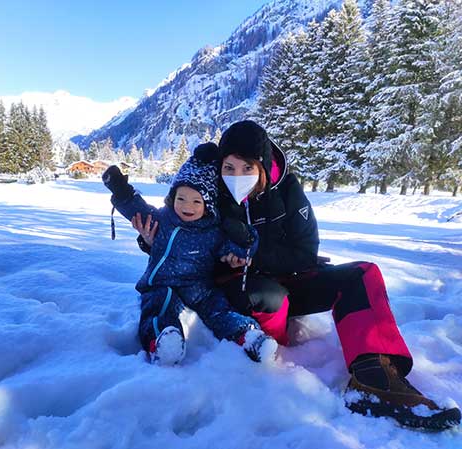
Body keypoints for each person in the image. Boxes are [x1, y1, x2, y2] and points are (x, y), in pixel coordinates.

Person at [132, 120, 461, 430]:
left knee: (363, 275)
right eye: (228, 167)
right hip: (241, 286)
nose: (236, 175)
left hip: (292, 274)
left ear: (263, 165)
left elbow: (305, 249)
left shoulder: (287, 190)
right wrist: (151, 242)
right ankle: (277, 352)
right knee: (268, 296)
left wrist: (254, 254)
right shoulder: (210, 188)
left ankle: (374, 377)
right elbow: (178, 231)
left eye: (248, 168)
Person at [102, 145, 271, 366]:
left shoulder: (213, 231)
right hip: (162, 283)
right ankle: (162, 343)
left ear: (207, 204)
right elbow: (136, 208)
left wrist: (246, 239)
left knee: (219, 310)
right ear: (173, 197)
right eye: (181, 198)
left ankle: (248, 337)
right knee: (158, 307)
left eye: (196, 201)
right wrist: (120, 189)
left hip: (199, 287)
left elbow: (235, 249)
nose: (187, 206)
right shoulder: (163, 219)